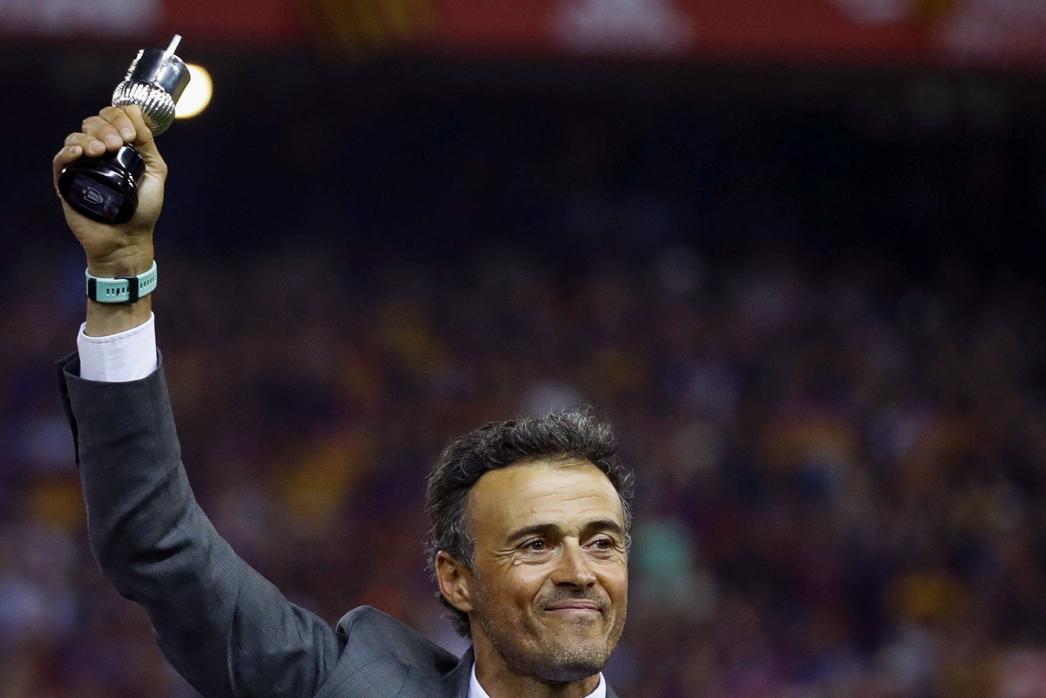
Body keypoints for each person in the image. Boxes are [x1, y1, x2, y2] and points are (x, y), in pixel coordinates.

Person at [51, 105, 634, 698]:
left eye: (602, 543)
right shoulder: (351, 685)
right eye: (535, 544)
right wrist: (120, 270)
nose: (579, 572)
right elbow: (155, 540)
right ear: (457, 580)